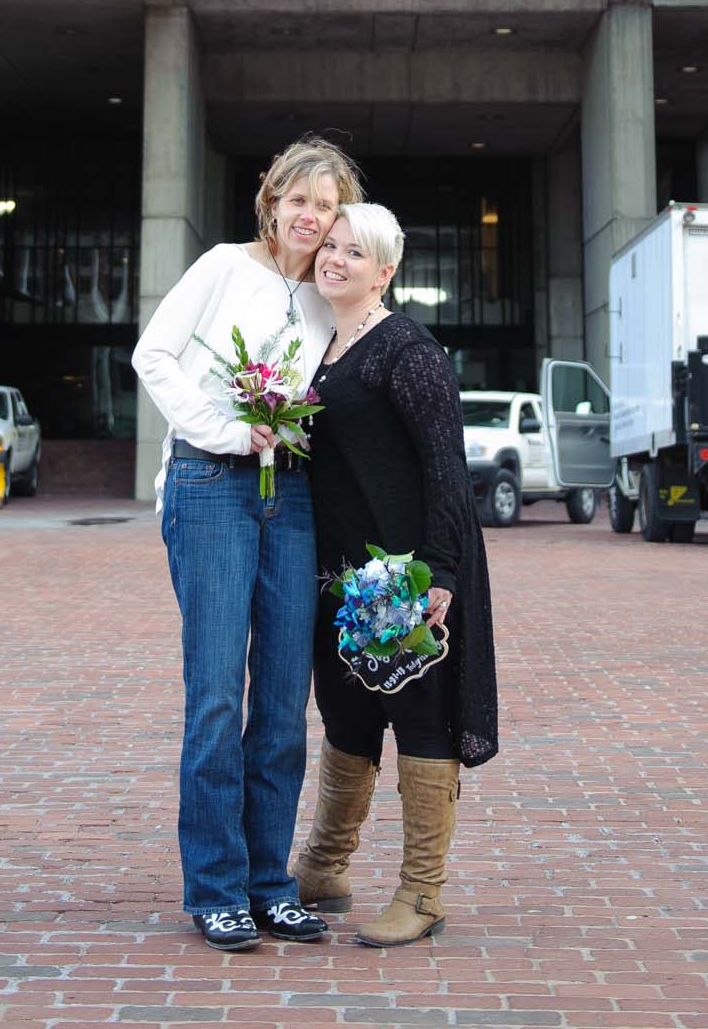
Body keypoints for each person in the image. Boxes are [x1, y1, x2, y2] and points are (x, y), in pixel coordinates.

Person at [132, 136, 365, 952]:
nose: (311, 217)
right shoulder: (222, 267)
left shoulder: (328, 296)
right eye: (299, 200)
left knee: (279, 703)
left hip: (291, 493)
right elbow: (152, 354)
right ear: (271, 201)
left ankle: (270, 885)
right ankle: (214, 888)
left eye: (327, 206)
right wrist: (225, 431)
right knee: (217, 695)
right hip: (209, 488)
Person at [295, 202, 498, 947]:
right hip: (339, 579)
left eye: (355, 252)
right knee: (347, 718)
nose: (335, 259)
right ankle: (322, 869)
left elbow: (447, 466)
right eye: (331, 247)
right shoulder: (322, 346)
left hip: (401, 576)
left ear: (385, 271)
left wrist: (440, 574)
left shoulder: (404, 351)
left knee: (418, 720)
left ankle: (421, 893)